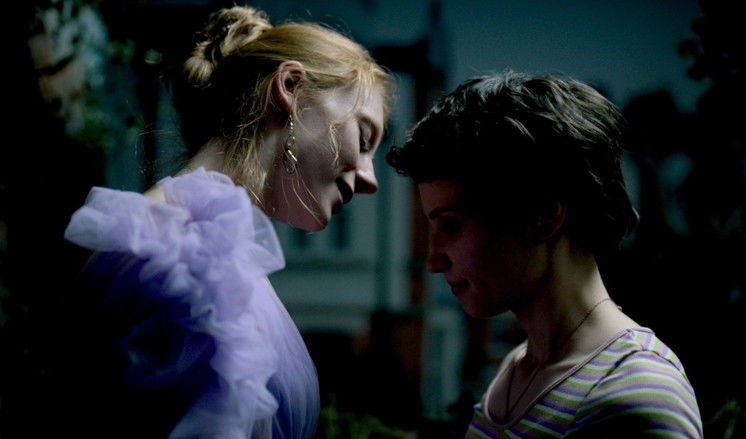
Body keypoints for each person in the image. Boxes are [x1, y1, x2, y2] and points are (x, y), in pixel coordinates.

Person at [62, 5, 390, 438]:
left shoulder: (211, 254)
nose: (370, 179)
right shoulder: (187, 260)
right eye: (363, 138)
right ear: (290, 87)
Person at [386, 72, 702, 437]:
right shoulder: (518, 367)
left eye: (452, 225)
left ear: (545, 216)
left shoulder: (635, 393)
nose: (433, 260)